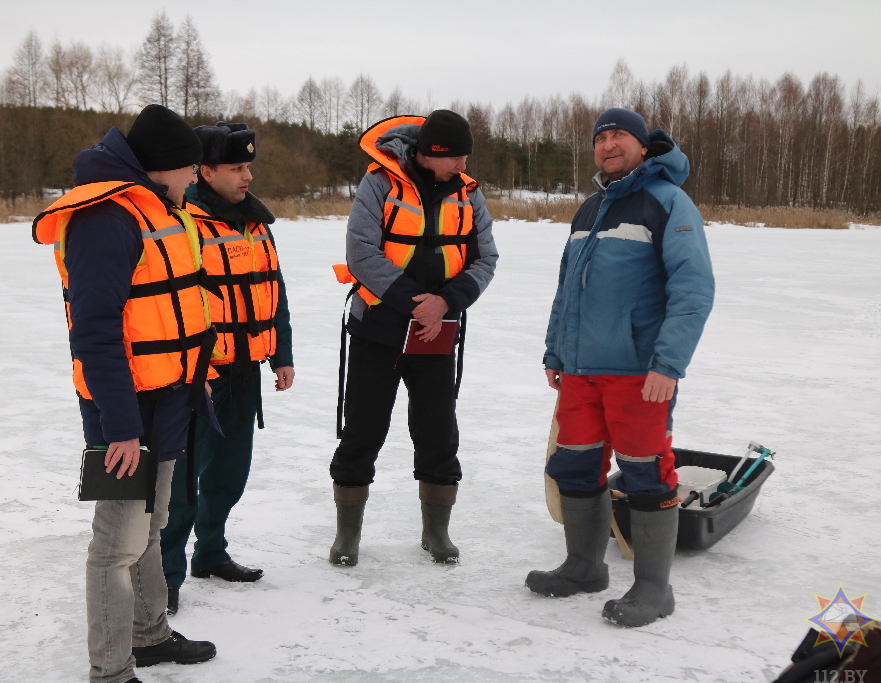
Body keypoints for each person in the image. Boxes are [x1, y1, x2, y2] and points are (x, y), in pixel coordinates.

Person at [33, 104, 218, 682]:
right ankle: (110, 671)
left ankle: (149, 633)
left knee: (152, 524)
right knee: (115, 544)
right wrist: (120, 427)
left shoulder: (157, 205)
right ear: (162, 167)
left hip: (166, 401)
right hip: (122, 412)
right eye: (191, 167)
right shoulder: (105, 219)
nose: (196, 177)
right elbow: (95, 331)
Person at [527, 108, 714, 627]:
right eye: (601, 137)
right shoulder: (589, 208)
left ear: (641, 145)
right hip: (581, 370)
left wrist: (668, 364)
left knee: (645, 473)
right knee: (575, 465)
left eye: (619, 136)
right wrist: (555, 351)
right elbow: (568, 287)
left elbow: (694, 289)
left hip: (639, 372)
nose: (608, 145)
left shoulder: (667, 202)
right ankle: (584, 567)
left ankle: (655, 589)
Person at [329, 110, 498, 566]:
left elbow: (486, 260)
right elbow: (360, 251)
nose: (463, 166)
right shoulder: (378, 184)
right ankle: (347, 536)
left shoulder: (468, 192)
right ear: (430, 153)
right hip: (379, 331)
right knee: (362, 430)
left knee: (439, 433)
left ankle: (436, 532)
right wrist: (413, 301)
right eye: (456, 157)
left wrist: (443, 304)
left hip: (436, 335)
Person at [160, 122, 294, 612]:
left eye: (249, 166)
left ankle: (210, 553)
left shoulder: (256, 224)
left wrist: (282, 353)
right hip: (198, 376)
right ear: (205, 171)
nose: (247, 176)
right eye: (237, 167)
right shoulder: (184, 222)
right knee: (180, 484)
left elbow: (273, 292)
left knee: (230, 473)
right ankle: (167, 574)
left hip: (245, 371)